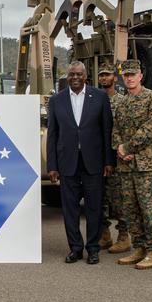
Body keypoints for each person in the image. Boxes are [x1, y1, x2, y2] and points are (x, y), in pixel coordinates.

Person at [46, 60, 115, 264]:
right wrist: (52, 165)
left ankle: (93, 248)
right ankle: (75, 248)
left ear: (86, 76)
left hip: (93, 162)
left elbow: (106, 131)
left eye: (79, 74)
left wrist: (109, 161)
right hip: (67, 163)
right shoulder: (57, 101)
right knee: (70, 209)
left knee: (94, 208)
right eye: (71, 75)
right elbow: (52, 135)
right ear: (67, 77)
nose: (75, 78)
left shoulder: (100, 97)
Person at [112, 60, 152, 269]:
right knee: (130, 209)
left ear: (141, 76)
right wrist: (119, 147)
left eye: (133, 74)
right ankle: (139, 247)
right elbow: (115, 129)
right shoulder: (121, 103)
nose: (130, 78)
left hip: (146, 164)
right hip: (126, 166)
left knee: (149, 209)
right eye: (126, 75)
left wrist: (129, 147)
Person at [96, 63, 129, 253]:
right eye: (101, 75)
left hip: (118, 157)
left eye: (108, 74)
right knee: (100, 198)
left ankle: (123, 236)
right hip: (99, 157)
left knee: (120, 200)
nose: (104, 78)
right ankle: (105, 235)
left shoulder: (122, 101)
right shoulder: (95, 100)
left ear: (115, 78)